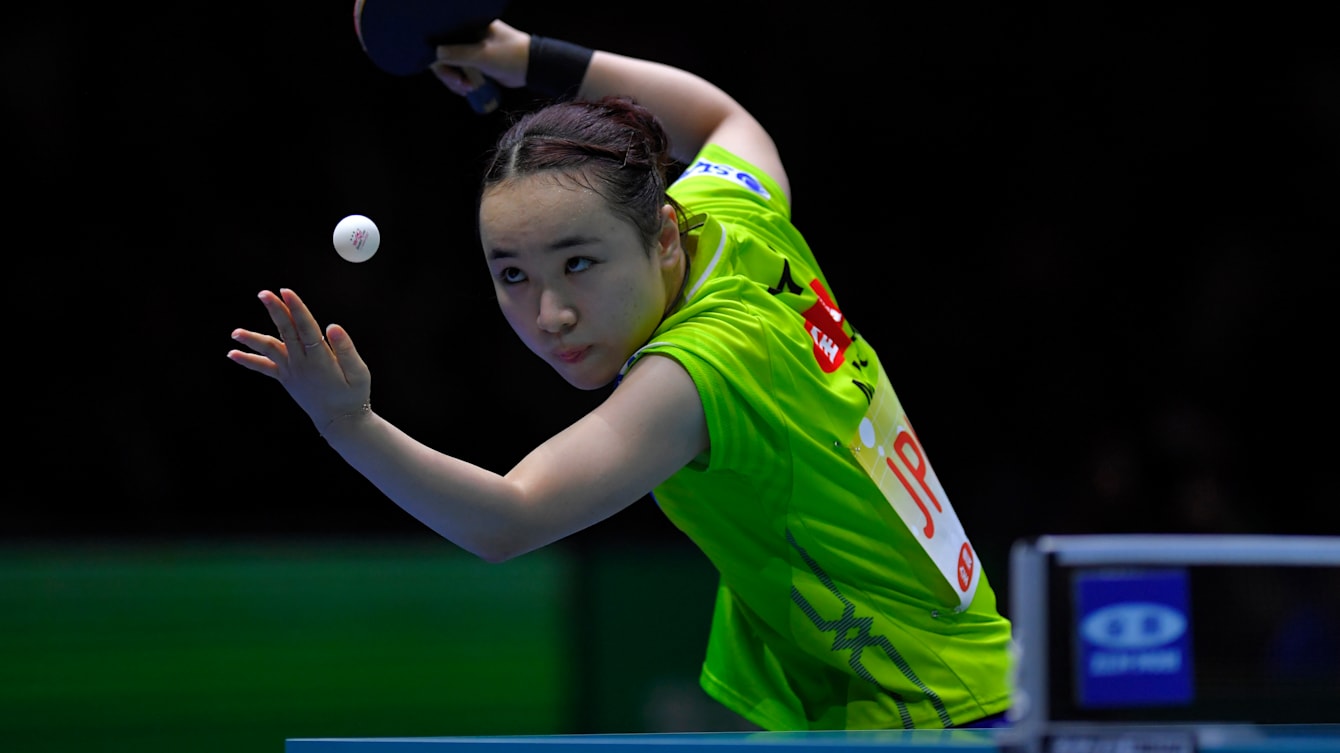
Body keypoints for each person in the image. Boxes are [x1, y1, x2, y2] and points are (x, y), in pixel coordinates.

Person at [227, 19, 1013, 731]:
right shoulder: (731, 220)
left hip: (930, 714)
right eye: (512, 275)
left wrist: (347, 422)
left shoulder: (699, 372)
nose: (550, 313)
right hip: (955, 669)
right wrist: (524, 56)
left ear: (663, 235)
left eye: (579, 263)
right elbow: (721, 120)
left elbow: (509, 519)